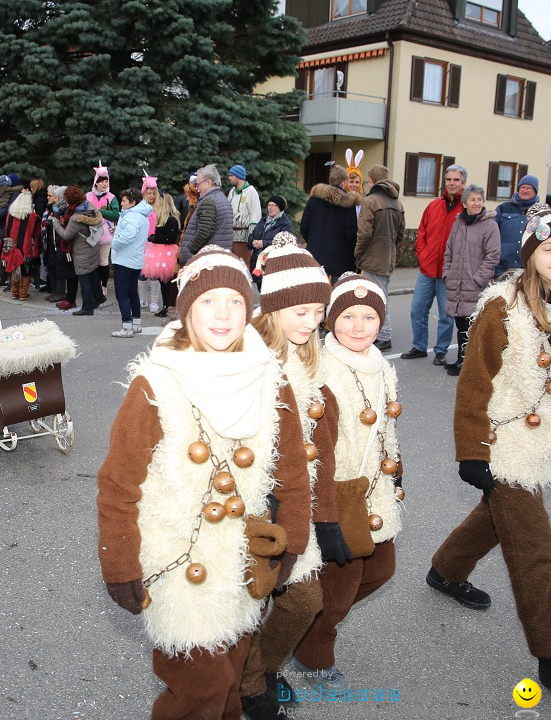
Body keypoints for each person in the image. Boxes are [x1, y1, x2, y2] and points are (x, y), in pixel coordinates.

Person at [96, 246, 311, 719]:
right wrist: (119, 563)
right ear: (188, 308)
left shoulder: (270, 378)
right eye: (208, 301)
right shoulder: (155, 384)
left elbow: (291, 470)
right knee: (200, 691)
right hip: (179, 564)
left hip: (243, 559)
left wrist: (293, 538)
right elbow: (118, 484)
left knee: (231, 679)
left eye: (235, 302)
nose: (223, 315)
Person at [428, 206, 551, 694]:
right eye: (548, 249)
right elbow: (474, 383)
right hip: (503, 443)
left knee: (497, 521)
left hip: (547, 440)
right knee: (533, 549)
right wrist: (471, 452)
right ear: (531, 254)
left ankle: (445, 570)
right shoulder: (502, 307)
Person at [240, 234, 344, 719]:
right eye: (299, 311)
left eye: (317, 312)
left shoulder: (308, 355)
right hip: (251, 505)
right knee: (245, 606)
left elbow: (317, 446)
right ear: (274, 306)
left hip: (294, 502)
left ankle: (261, 668)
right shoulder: (247, 357)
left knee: (303, 601)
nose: (310, 322)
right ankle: (249, 685)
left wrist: (325, 515)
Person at [292, 272, 403, 695]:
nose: (359, 327)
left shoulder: (380, 364)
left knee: (382, 567)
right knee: (340, 586)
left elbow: (387, 426)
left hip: (375, 488)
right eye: (348, 316)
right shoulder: (323, 369)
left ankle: (304, 618)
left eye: (370, 317)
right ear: (330, 320)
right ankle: (314, 651)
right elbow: (313, 444)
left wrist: (396, 468)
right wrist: (327, 513)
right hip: (339, 493)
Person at [401, 164, 465, 364]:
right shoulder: (433, 206)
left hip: (449, 273)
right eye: (449, 179)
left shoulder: (466, 210)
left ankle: (441, 352)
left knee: (446, 316)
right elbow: (422, 233)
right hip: (427, 270)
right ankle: (419, 346)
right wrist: (423, 255)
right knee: (417, 310)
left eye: (456, 180)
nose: (451, 183)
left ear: (463, 183)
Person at [442, 184, 500, 376]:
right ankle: (462, 360)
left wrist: (478, 280)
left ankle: (470, 364)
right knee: (461, 324)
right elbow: (448, 252)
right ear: (465, 203)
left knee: (472, 325)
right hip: (456, 283)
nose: (476, 203)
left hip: (474, 285)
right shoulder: (458, 224)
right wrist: (447, 273)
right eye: (472, 199)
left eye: (479, 199)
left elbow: (492, 256)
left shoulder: (489, 225)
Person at [354, 164, 405, 352]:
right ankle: (381, 333)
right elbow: (401, 233)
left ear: (371, 180)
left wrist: (358, 253)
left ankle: (384, 335)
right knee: (380, 294)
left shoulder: (371, 201)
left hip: (373, 256)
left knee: (377, 297)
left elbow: (364, 232)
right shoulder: (397, 203)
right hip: (388, 255)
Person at [301, 164, 361, 280]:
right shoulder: (349, 204)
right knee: (337, 296)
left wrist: (314, 241)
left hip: (315, 259)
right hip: (341, 262)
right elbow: (351, 234)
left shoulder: (314, 200)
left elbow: (304, 227)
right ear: (344, 182)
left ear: (330, 180)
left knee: (317, 296)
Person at [53, 185, 102, 316]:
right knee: (91, 273)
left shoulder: (76, 217)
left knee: (84, 277)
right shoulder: (89, 207)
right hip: (92, 246)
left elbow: (66, 235)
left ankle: (87, 307)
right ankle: (99, 297)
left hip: (82, 251)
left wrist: (56, 224)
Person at [109, 188, 152, 337]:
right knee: (132, 293)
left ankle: (127, 327)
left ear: (133, 202)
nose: (122, 203)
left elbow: (129, 235)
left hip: (124, 260)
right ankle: (136, 324)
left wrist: (115, 243)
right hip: (135, 260)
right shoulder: (141, 216)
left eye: (124, 201)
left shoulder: (132, 216)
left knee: (122, 295)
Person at [178, 165, 233, 265]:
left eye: (198, 184)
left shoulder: (209, 201)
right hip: (217, 258)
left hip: (206, 261)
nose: (197, 188)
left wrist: (190, 250)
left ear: (209, 182)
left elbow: (204, 233)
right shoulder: (222, 199)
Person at [494, 174, 541, 277]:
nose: (525, 190)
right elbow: (492, 234)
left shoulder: (540, 211)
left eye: (529, 188)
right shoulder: (503, 208)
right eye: (522, 187)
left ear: (535, 191)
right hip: (502, 267)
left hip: (527, 269)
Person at [142, 192, 181, 319]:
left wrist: (154, 238)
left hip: (167, 253)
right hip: (159, 251)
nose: (157, 204)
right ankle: (165, 305)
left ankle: (169, 306)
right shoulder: (162, 218)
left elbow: (169, 238)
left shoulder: (172, 219)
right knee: (162, 281)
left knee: (168, 282)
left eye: (159, 202)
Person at [88, 162, 119, 300]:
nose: (105, 184)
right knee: (92, 262)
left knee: (103, 261)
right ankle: (93, 285)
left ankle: (103, 285)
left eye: (106, 181)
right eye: (102, 181)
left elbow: (116, 215)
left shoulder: (111, 197)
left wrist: (99, 211)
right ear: (96, 183)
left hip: (106, 234)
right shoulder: (88, 196)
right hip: (90, 233)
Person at [3, 188, 41, 300]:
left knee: (15, 269)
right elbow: (36, 235)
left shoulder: (10, 215)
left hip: (11, 247)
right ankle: (23, 293)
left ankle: (15, 292)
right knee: (26, 270)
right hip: (26, 247)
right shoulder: (33, 217)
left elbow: (6, 231)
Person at [247, 195, 293, 286]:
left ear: (280, 207)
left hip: (273, 264)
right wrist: (252, 242)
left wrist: (263, 243)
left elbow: (285, 242)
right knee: (259, 290)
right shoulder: (263, 221)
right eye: (269, 205)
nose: (270, 208)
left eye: (273, 205)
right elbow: (252, 235)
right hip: (257, 263)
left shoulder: (285, 224)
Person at [227, 164, 261, 268]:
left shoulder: (251, 192)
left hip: (244, 237)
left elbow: (255, 215)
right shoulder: (232, 192)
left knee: (243, 266)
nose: (229, 178)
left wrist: (252, 238)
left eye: (231, 175)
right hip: (231, 236)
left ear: (238, 176)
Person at [139, 174, 162, 312]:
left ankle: (154, 301)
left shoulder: (159, 208)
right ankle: (142, 299)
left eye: (153, 193)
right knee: (141, 274)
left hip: (155, 244)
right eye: (149, 193)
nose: (151, 196)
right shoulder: (140, 208)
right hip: (142, 244)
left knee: (154, 274)